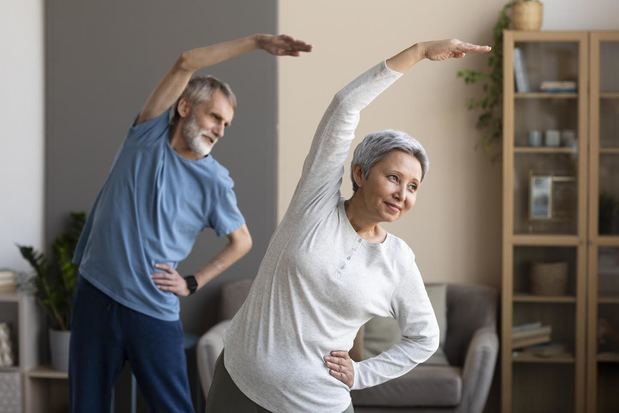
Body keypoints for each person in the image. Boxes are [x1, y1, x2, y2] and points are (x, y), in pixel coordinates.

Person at [206, 38, 491, 413]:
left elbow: (425, 338)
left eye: (413, 187)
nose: (402, 193)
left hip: (317, 404)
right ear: (360, 172)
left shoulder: (398, 260)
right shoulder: (315, 206)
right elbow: (345, 105)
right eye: (393, 177)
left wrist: (362, 374)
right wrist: (419, 52)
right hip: (238, 387)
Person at [69, 34, 312, 412]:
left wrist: (192, 281)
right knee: (86, 405)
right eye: (215, 116)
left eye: (226, 124)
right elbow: (186, 61)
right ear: (184, 106)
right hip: (96, 294)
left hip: (152, 310)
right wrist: (257, 43)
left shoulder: (215, 181)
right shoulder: (146, 135)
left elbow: (242, 240)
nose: (219, 129)